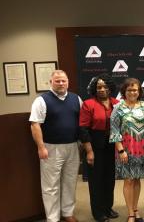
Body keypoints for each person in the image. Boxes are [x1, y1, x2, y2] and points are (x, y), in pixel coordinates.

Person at [29, 70, 81, 222]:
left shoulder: (75, 98)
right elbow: (35, 125)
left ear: (68, 82)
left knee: (70, 181)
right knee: (50, 185)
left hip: (72, 146)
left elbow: (81, 122)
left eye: (63, 81)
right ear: (50, 82)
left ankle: (67, 213)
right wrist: (40, 147)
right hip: (50, 148)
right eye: (57, 81)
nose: (61, 83)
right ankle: (52, 218)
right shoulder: (41, 100)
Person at [109, 78, 144, 222]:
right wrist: (121, 150)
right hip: (125, 150)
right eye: (129, 90)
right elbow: (114, 131)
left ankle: (136, 208)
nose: (133, 92)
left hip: (141, 149)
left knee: (137, 180)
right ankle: (130, 214)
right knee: (128, 181)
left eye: (135, 90)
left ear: (139, 91)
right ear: (124, 92)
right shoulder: (118, 107)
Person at [79, 74, 119, 222]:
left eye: (105, 87)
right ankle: (98, 213)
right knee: (96, 181)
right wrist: (89, 151)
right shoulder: (88, 104)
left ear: (110, 88)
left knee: (110, 180)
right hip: (94, 146)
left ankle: (108, 208)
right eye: (99, 87)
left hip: (112, 147)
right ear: (95, 89)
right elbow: (83, 129)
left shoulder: (116, 103)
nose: (102, 89)